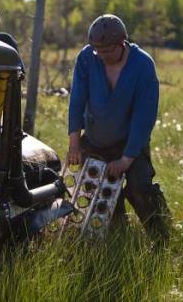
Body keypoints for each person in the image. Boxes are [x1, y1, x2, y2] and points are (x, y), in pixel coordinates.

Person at [67, 14, 171, 242]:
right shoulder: (87, 58)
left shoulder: (142, 65)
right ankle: (119, 239)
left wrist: (126, 159)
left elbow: (145, 117)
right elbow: (76, 99)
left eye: (107, 51)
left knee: (139, 189)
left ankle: (162, 239)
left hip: (130, 142)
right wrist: (74, 141)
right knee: (101, 195)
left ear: (122, 42)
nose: (102, 56)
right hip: (95, 139)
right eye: (98, 51)